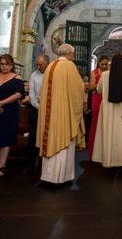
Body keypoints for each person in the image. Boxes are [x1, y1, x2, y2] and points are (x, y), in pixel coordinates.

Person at [36, 44, 85, 185]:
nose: (73, 57)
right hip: (64, 113)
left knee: (50, 138)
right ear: (69, 53)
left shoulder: (50, 66)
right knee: (64, 140)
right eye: (73, 54)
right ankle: (60, 177)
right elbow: (78, 89)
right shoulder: (69, 66)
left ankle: (47, 176)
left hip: (49, 115)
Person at [92, 54, 122, 168]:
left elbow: (98, 90)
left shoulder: (104, 75)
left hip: (108, 110)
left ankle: (108, 161)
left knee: (108, 134)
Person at [24, 54, 49, 174]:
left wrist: (45, 107)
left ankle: (44, 166)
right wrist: (38, 106)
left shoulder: (51, 74)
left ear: (47, 63)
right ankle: (30, 165)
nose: (38, 67)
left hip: (48, 109)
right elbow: (32, 93)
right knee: (32, 137)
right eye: (37, 64)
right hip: (35, 108)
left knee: (46, 137)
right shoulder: (34, 75)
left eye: (41, 65)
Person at [85, 55, 108, 159]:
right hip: (97, 99)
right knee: (95, 123)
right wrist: (102, 82)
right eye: (102, 64)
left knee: (106, 123)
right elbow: (91, 87)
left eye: (105, 64)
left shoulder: (109, 72)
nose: (104, 66)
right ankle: (93, 150)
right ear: (98, 63)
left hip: (106, 98)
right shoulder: (94, 72)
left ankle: (104, 150)